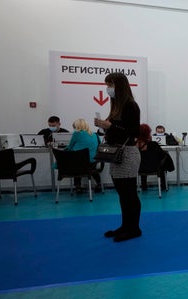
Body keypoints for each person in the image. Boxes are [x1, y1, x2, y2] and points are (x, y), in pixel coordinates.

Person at [94, 72, 142, 242]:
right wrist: (104, 126)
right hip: (116, 152)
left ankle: (134, 228)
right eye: (107, 85)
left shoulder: (131, 105)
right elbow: (117, 129)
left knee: (129, 192)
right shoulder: (116, 106)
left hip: (127, 153)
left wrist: (111, 125)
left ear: (119, 86)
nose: (108, 89)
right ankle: (126, 225)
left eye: (110, 85)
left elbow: (134, 131)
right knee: (122, 193)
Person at [65, 118, 102, 193]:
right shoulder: (95, 134)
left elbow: (70, 147)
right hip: (94, 162)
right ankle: (99, 184)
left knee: (77, 166)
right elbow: (100, 146)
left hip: (81, 163)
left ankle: (78, 186)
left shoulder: (76, 134)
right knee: (92, 168)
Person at [137, 124, 174, 191]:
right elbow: (162, 156)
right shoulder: (154, 144)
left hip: (140, 168)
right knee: (162, 164)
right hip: (155, 168)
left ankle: (144, 187)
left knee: (143, 162)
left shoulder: (135, 144)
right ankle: (163, 186)